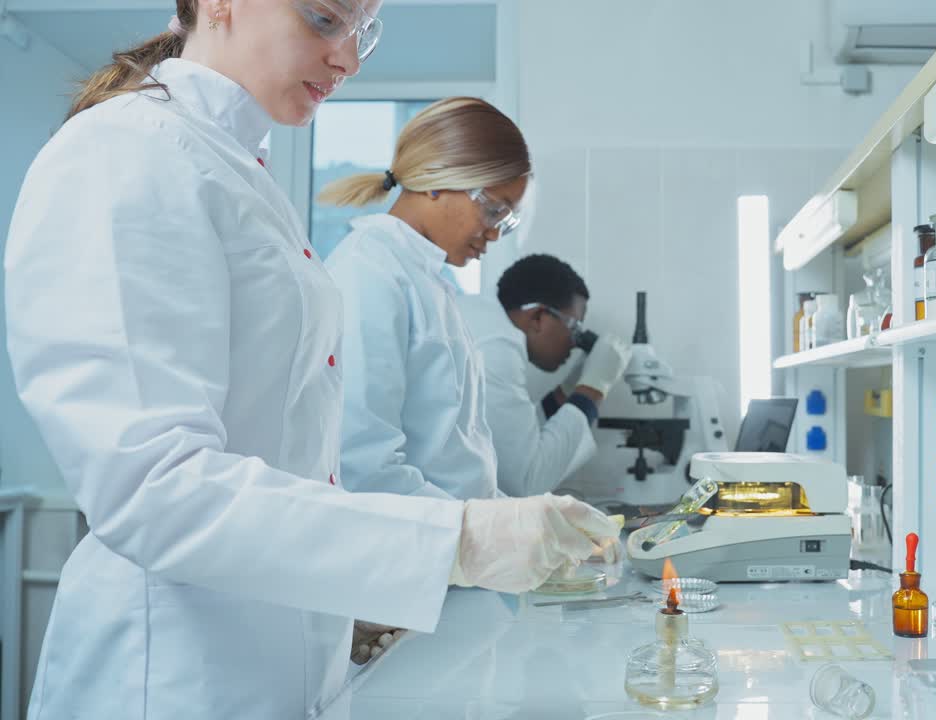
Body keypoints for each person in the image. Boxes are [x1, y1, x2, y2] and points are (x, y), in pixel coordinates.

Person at [4, 3, 617, 718]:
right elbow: (153, 487)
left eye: (363, 31)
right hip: (173, 676)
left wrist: (366, 589)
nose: (350, 60)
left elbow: (297, 460)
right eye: (326, 19)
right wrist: (455, 539)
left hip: (283, 655)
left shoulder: (237, 170)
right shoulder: (126, 152)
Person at [319, 97, 527, 501]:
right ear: (436, 180)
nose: (496, 233)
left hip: (451, 542)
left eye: (506, 219)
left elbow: (456, 461)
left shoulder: (427, 279)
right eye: (493, 210)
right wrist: (481, 532)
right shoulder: (369, 272)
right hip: (411, 548)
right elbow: (364, 468)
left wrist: (518, 519)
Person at [456, 254, 632, 496]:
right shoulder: (497, 348)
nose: (573, 343)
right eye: (573, 328)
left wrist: (571, 387)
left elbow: (514, 437)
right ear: (538, 317)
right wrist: (594, 388)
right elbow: (527, 482)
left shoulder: (483, 322)